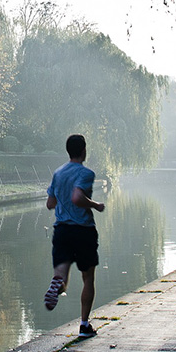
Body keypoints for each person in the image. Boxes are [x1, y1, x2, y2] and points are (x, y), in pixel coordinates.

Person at [44, 134, 105, 338]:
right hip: (83, 230)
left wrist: (63, 201)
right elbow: (77, 197)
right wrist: (95, 205)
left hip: (61, 230)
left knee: (61, 277)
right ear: (83, 150)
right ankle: (84, 325)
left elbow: (50, 203)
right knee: (88, 278)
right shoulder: (86, 173)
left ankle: (57, 284)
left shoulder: (58, 173)